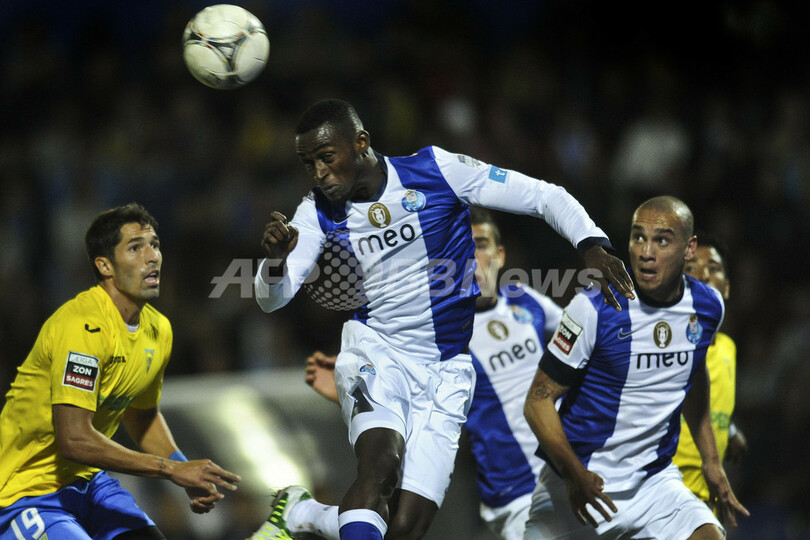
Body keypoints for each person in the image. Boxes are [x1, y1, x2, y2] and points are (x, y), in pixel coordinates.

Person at [250, 98, 634, 540]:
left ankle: (303, 514)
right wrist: (275, 263)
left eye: (326, 157)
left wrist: (592, 245)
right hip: (377, 353)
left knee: (407, 528)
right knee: (379, 468)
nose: (318, 173)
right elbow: (272, 299)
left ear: (360, 143)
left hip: (448, 371)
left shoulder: (436, 170)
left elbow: (543, 196)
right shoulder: (315, 212)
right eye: (308, 163)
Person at [288, 208, 563, 540]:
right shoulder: (433, 329)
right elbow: (408, 394)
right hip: (516, 494)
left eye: (480, 244)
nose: (472, 257)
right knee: (398, 523)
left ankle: (304, 514)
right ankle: (306, 515)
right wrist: (356, 395)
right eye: (461, 247)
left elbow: (582, 350)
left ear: (500, 254)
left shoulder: (528, 301)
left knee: (404, 530)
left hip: (571, 473)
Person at [0, 203, 241, 540]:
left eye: (154, 244)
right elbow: (74, 439)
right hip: (25, 491)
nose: (152, 257)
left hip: (89, 482)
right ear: (105, 266)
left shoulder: (159, 329)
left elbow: (142, 416)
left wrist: (185, 468)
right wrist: (171, 469)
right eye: (135, 247)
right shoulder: (83, 325)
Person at [522, 196, 749, 539]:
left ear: (689, 249)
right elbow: (537, 401)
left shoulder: (707, 306)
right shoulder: (593, 308)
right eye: (638, 237)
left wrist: (712, 462)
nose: (646, 252)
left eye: (662, 240)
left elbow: (692, 374)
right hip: (578, 483)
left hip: (653, 483)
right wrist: (573, 473)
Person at [673, 231, 748, 503]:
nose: (703, 276)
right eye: (691, 268)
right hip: (666, 495)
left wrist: (730, 431)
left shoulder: (728, 348)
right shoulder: (664, 346)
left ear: (726, 287)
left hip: (710, 498)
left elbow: (705, 401)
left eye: (713, 268)